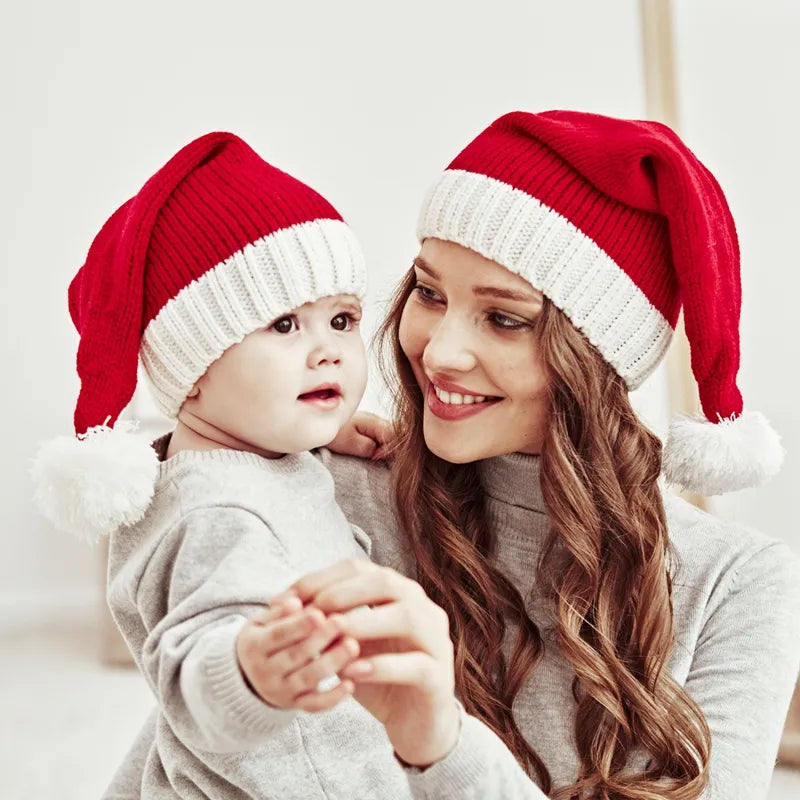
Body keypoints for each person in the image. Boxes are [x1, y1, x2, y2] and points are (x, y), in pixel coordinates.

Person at [279, 111, 800, 799]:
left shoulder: (737, 582)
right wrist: (262, 440)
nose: (438, 351)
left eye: (503, 319)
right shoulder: (339, 490)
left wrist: (441, 744)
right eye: (430, 294)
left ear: (593, 357)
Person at [31, 132, 443, 798]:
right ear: (193, 373)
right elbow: (195, 664)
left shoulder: (248, 457)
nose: (328, 351)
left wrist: (316, 437)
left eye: (341, 320)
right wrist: (245, 667)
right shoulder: (216, 516)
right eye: (285, 326)